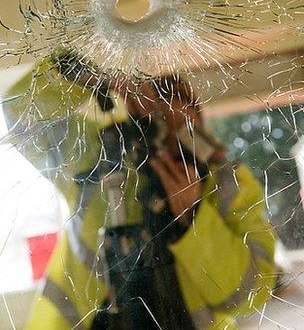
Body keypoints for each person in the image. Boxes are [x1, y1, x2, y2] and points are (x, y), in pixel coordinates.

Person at [5, 53, 277, 329]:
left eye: (185, 134)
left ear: (201, 126)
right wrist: (84, 74)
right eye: (158, 124)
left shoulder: (227, 183)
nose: (171, 144)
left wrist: (193, 218)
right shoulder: (99, 155)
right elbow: (21, 114)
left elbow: (251, 295)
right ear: (135, 118)